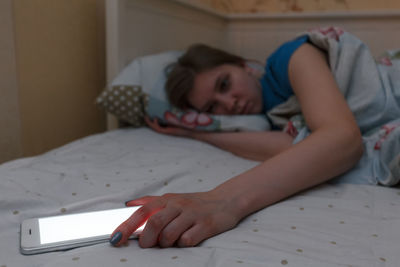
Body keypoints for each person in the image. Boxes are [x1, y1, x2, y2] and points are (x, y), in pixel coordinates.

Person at [109, 35, 366, 248]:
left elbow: (341, 139)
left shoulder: (292, 56)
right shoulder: (269, 120)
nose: (229, 102)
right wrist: (194, 133)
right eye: (213, 107)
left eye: (224, 84)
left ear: (243, 65)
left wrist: (222, 200)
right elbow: (306, 151)